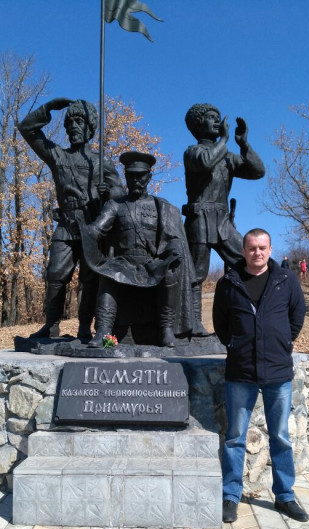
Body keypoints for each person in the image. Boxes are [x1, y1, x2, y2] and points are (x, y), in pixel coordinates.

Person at [213, 228, 309, 523]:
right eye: (252, 248)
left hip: (277, 370)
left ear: (270, 249)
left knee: (281, 436)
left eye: (263, 247)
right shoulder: (228, 282)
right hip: (241, 371)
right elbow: (220, 323)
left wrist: (282, 343)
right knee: (234, 437)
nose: (258, 252)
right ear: (243, 251)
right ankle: (231, 495)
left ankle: (285, 496)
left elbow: (297, 316)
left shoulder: (286, 280)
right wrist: (236, 344)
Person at [17, 98, 124, 340]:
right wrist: (49, 108)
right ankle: (51, 325)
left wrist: (109, 191)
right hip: (66, 224)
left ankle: (85, 328)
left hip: (92, 225)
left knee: (90, 278)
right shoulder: (57, 155)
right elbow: (26, 129)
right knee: (55, 274)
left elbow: (120, 192)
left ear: (90, 128)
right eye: (71, 122)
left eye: (80, 121)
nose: (74, 126)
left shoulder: (101, 161)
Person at [85, 151, 195, 347]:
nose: (136, 180)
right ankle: (103, 331)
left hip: (151, 264)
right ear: (125, 176)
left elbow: (173, 237)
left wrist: (174, 249)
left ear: (149, 177)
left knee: (170, 273)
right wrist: (85, 230)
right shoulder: (114, 205)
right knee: (108, 275)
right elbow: (97, 229)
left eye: (141, 176)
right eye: (131, 175)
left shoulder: (161, 206)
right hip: (124, 263)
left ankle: (166, 330)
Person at [183, 103, 265, 335]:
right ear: (198, 125)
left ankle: (253, 319)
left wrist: (244, 144)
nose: (217, 121)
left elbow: (258, 171)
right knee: (196, 275)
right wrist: (225, 139)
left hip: (222, 220)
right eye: (211, 117)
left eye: (218, 117)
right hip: (199, 218)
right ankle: (192, 325)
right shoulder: (193, 151)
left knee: (248, 259)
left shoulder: (227, 156)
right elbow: (207, 161)